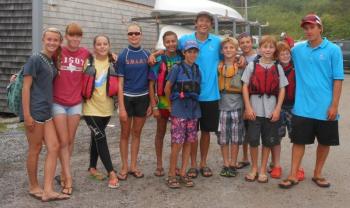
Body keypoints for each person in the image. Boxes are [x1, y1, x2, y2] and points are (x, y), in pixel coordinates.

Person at [279, 14, 344, 189]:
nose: (308, 31)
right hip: (302, 108)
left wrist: (334, 105)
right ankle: (293, 175)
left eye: (312, 27)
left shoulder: (333, 50)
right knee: (298, 142)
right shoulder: (298, 50)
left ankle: (317, 173)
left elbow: (338, 79)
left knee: (325, 142)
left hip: (325, 108)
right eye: (306, 28)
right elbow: (278, 55)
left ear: (320, 28)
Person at [21, 27, 70, 201]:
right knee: (35, 149)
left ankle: (48, 190)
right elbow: (25, 87)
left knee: (54, 147)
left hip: (46, 110)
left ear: (59, 42)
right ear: (43, 39)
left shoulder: (50, 60)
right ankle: (34, 186)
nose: (52, 42)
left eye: (55, 40)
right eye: (49, 39)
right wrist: (26, 115)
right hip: (34, 111)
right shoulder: (35, 58)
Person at [178, 11, 221, 178]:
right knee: (191, 132)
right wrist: (155, 54)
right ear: (195, 23)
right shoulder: (185, 40)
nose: (204, 23)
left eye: (207, 21)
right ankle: (193, 165)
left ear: (210, 24)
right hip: (191, 96)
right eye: (201, 21)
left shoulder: (217, 42)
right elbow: (170, 49)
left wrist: (241, 60)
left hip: (210, 95)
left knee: (206, 132)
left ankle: (203, 163)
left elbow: (230, 54)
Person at [241, 35, 288, 183]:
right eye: (265, 47)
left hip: (270, 112)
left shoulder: (277, 67)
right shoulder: (252, 66)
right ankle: (254, 168)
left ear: (274, 50)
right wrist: (248, 107)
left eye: (271, 47)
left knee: (268, 142)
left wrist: (277, 109)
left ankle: (262, 169)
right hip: (254, 111)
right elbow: (244, 87)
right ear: (259, 49)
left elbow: (282, 89)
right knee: (253, 141)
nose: (267, 49)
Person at [52, 23, 90, 195]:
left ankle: (62, 171)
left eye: (78, 35)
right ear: (66, 36)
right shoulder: (57, 51)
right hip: (58, 101)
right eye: (72, 35)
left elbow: (102, 56)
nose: (75, 39)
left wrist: (112, 54)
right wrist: (21, 73)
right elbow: (40, 60)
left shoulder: (85, 53)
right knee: (63, 140)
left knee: (70, 140)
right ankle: (68, 177)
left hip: (75, 102)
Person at [82, 35, 119, 189]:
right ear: (94, 46)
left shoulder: (114, 62)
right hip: (90, 108)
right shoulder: (87, 62)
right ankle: (111, 172)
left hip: (107, 108)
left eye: (105, 44)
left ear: (109, 46)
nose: (102, 47)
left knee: (96, 137)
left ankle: (92, 167)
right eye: (99, 44)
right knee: (101, 137)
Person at [117, 23, 152, 180]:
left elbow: (152, 82)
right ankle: (124, 166)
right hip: (127, 97)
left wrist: (152, 103)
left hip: (143, 98)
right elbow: (119, 83)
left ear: (141, 35)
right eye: (130, 34)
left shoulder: (147, 54)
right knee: (125, 133)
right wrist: (121, 107)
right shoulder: (123, 55)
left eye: (136, 33)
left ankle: (133, 165)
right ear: (127, 36)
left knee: (137, 133)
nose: (133, 36)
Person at [164, 40, 201, 188]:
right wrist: (170, 105)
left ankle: (183, 172)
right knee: (177, 143)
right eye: (189, 51)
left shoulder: (197, 69)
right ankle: (171, 174)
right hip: (179, 109)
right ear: (184, 53)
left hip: (193, 110)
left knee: (189, 142)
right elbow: (167, 88)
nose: (192, 54)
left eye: (194, 51)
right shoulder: (177, 68)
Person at [149, 31, 183, 177]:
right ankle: (159, 164)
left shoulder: (182, 57)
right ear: (164, 43)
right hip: (162, 103)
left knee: (176, 135)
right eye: (168, 42)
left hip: (178, 102)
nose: (171, 44)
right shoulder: (159, 60)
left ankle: (174, 164)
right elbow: (151, 84)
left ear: (177, 42)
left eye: (173, 41)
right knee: (160, 133)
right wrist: (154, 105)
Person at [269, 42, 304, 180]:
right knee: (276, 137)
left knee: (297, 138)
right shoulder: (273, 68)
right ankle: (276, 165)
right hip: (278, 106)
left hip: (295, 107)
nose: (285, 56)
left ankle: (298, 167)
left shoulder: (297, 68)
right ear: (276, 55)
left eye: (287, 53)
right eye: (281, 53)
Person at [216, 37, 244, 177]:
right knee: (223, 138)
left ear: (236, 50)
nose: (228, 50)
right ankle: (225, 163)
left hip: (237, 107)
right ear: (222, 50)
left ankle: (233, 163)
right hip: (221, 107)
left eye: (231, 47)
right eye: (226, 48)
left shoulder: (241, 66)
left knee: (235, 138)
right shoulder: (218, 66)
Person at [236, 32, 259, 169]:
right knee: (244, 127)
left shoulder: (259, 57)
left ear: (252, 42)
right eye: (242, 42)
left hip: (256, 96)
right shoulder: (238, 58)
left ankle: (264, 161)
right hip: (242, 96)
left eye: (247, 42)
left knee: (256, 128)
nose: (245, 44)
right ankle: (245, 158)